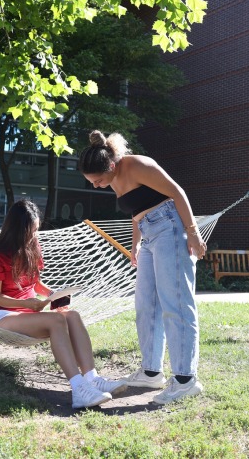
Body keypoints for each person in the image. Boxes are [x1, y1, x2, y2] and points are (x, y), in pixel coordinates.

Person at [78, 130, 206, 405]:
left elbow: (177, 192)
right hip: (149, 236)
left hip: (171, 228)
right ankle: (151, 372)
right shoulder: (113, 177)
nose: (97, 186)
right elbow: (137, 211)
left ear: (110, 166)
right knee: (146, 304)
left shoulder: (138, 165)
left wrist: (193, 232)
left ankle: (185, 380)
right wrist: (137, 245)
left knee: (176, 303)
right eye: (92, 182)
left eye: (98, 180)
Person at [0, 199, 127, 409]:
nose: (34, 235)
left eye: (36, 230)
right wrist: (27, 303)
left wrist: (54, 296)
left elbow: (36, 284)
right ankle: (78, 389)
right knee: (56, 321)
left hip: (30, 313)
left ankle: (91, 378)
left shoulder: (32, 247)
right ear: (17, 229)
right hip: (4, 316)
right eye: (30, 231)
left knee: (72, 315)